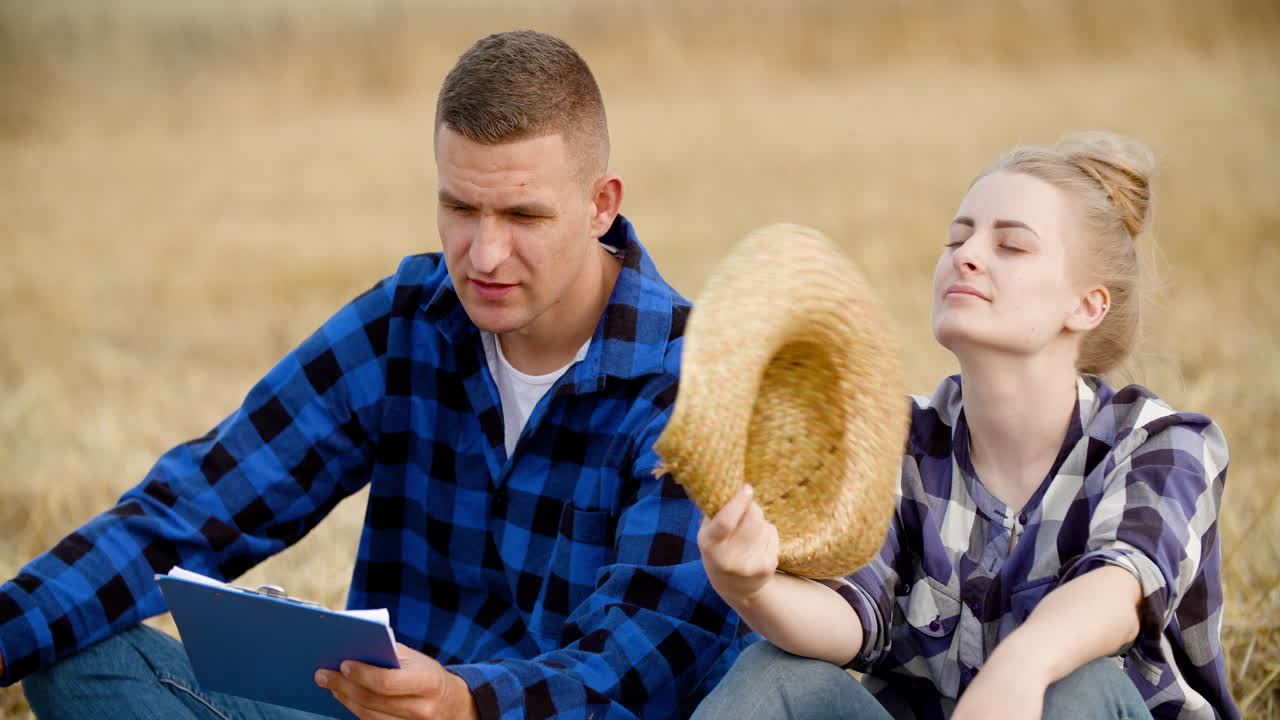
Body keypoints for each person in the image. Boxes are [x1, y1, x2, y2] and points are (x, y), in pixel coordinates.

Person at [0, 30, 749, 720]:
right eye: (460, 207)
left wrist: (463, 701)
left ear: (600, 206)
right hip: (375, 711)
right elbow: (195, 506)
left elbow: (639, 667)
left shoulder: (690, 382)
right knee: (74, 652)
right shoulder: (408, 321)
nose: (483, 256)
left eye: (522, 216)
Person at [691, 132, 1239, 720]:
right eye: (958, 236)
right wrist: (748, 585)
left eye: (1011, 246)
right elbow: (852, 619)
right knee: (774, 675)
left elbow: (1121, 583)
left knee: (1077, 687)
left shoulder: (1163, 442)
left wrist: (1022, 664)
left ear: (1087, 305)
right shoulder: (895, 439)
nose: (966, 255)